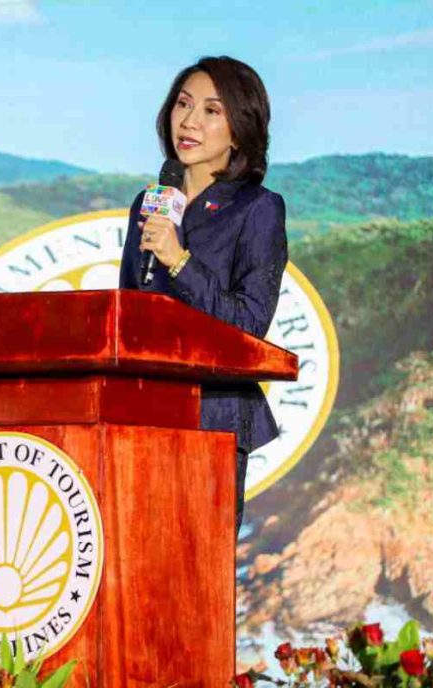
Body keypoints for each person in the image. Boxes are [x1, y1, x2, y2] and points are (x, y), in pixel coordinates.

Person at [118, 56, 288, 531]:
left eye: (212, 110)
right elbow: (127, 308)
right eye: (183, 104)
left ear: (239, 131)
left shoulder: (257, 209)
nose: (189, 121)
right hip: (142, 411)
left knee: (197, 562)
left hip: (212, 415)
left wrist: (180, 262)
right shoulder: (150, 204)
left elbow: (249, 324)